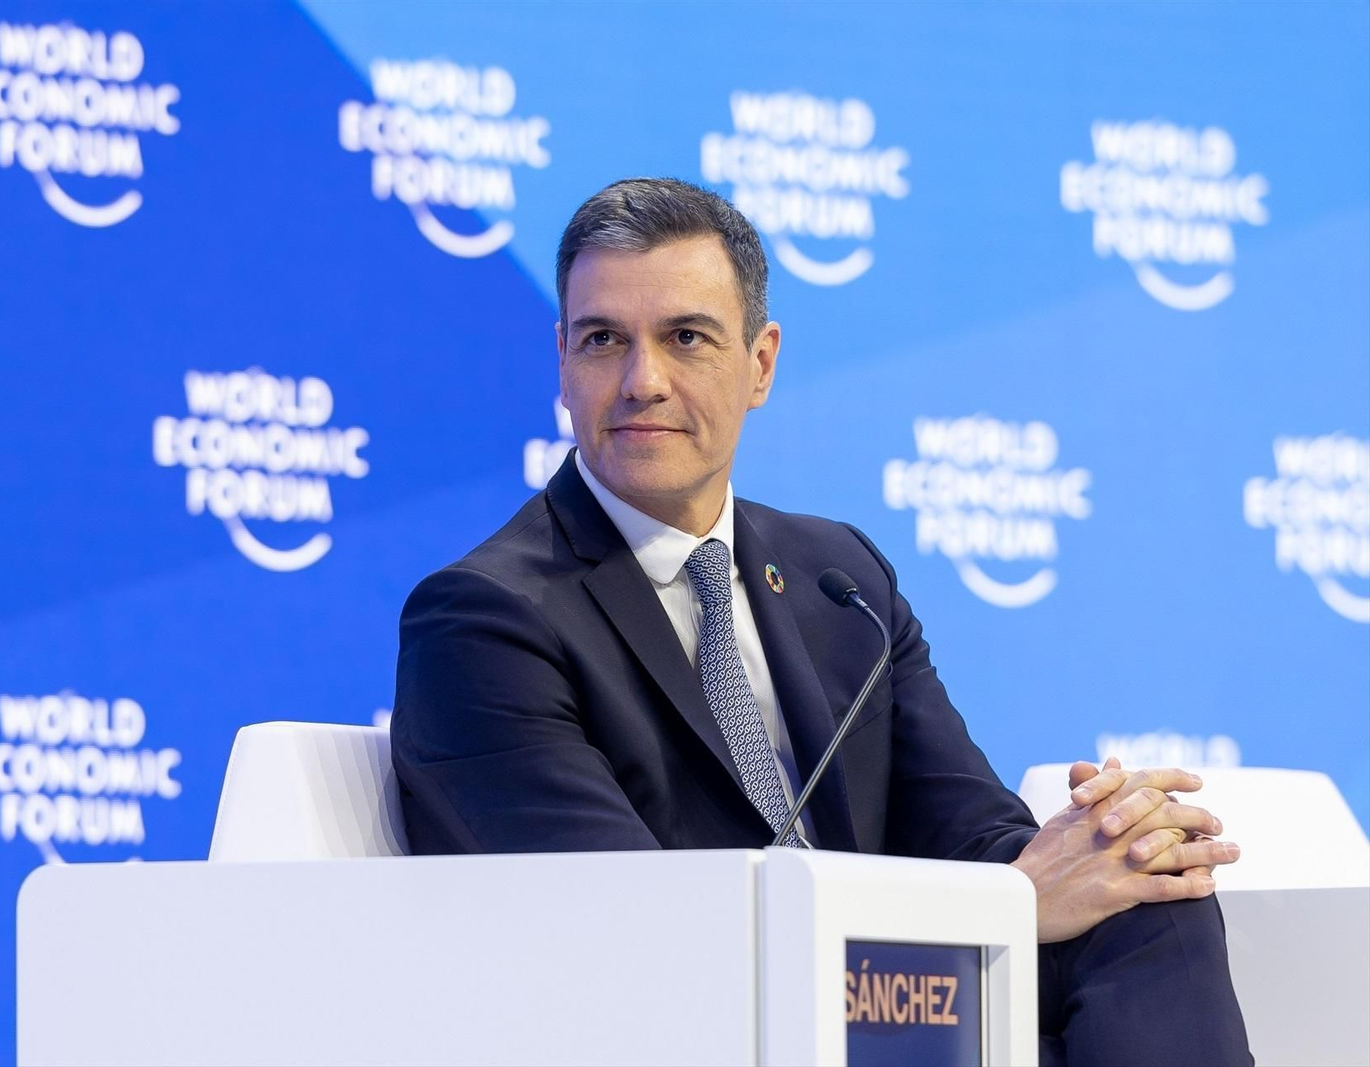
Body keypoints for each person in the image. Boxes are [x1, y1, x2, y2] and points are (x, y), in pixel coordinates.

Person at [392, 178, 1251, 1064]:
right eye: (604, 340)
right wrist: (1002, 910)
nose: (642, 380)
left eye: (685, 337)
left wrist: (1097, 845)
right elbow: (630, 932)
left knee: (1152, 879)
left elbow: (966, 831)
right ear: (564, 364)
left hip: (892, 1003)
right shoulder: (486, 619)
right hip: (703, 1025)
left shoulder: (840, 577)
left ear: (760, 363)